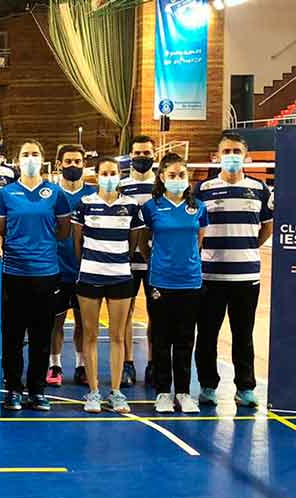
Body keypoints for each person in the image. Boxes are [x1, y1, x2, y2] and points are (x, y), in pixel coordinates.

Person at [0, 139, 71, 411]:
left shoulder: (55, 193)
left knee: (40, 336)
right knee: (12, 335)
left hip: (46, 273)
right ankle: (13, 388)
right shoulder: (6, 194)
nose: (30, 158)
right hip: (13, 273)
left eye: (35, 153)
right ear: (17, 160)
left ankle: (37, 390)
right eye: (25, 154)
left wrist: (42, 246)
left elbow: (63, 230)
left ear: (43, 158)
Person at [195, 133, 273, 408]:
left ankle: (245, 387)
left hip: (247, 276)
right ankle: (207, 385)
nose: (231, 155)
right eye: (226, 150)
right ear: (216, 157)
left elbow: (267, 227)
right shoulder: (202, 189)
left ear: (245, 156)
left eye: (236, 151)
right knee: (206, 335)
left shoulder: (261, 189)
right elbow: (196, 229)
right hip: (210, 276)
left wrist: (249, 246)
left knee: (244, 334)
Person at [136, 153, 208, 414]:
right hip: (161, 281)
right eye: (172, 175)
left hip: (189, 281)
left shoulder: (198, 207)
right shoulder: (151, 207)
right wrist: (159, 261)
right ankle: (164, 392)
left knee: (186, 339)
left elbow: (199, 239)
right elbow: (143, 243)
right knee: (162, 338)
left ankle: (185, 392)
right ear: (162, 177)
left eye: (182, 175)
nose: (178, 179)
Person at [72, 157, 142, 414]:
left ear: (120, 175)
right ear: (97, 175)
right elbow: (77, 241)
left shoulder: (132, 206)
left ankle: (116, 392)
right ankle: (93, 392)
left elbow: (134, 241)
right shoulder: (85, 204)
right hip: (90, 275)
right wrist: (90, 263)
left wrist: (117, 260)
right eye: (105, 172)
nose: (109, 176)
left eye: (114, 172)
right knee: (90, 335)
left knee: (117, 335)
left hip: (121, 276)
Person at [49, 145, 96, 387]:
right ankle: (54, 365)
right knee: (55, 322)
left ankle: (81, 365)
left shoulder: (93, 195)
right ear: (59, 165)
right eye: (68, 161)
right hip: (56, 269)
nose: (73, 166)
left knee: (84, 323)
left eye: (78, 161)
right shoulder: (52, 194)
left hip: (86, 270)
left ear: (84, 164)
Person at [118, 135, 157, 387]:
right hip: (128, 261)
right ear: (130, 156)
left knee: (156, 316)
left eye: (146, 153)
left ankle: (154, 364)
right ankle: (127, 363)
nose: (142, 157)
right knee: (126, 314)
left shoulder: (162, 184)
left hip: (156, 262)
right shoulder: (122, 186)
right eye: (137, 153)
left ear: (154, 155)